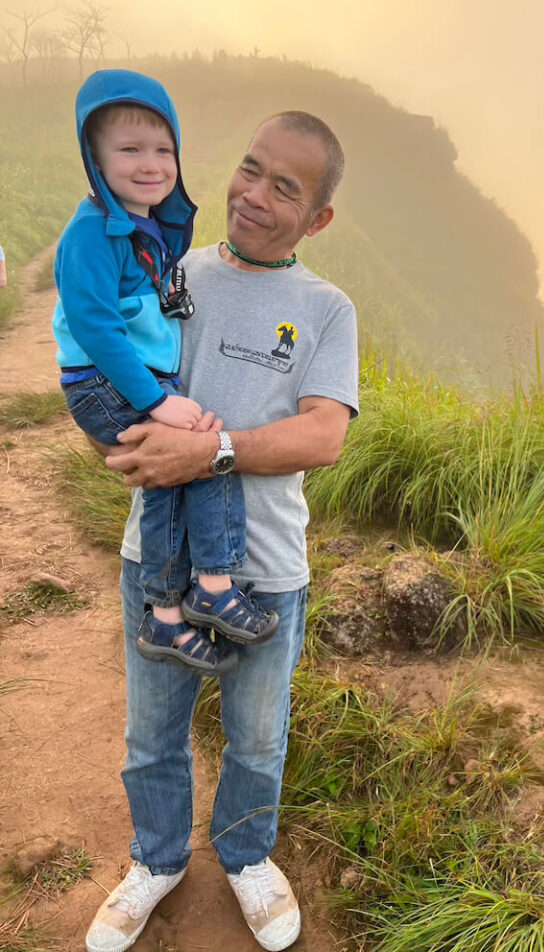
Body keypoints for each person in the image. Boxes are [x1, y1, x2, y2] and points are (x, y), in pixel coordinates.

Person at [85, 111, 359, 952]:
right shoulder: (171, 271)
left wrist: (209, 453)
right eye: (251, 169)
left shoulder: (325, 308)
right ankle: (157, 859)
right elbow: (109, 371)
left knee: (259, 733)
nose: (255, 195)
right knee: (151, 731)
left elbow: (324, 435)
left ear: (317, 219)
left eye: (286, 188)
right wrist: (121, 443)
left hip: (268, 568)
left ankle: (245, 856)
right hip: (159, 561)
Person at [52, 69, 277, 679]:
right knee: (194, 454)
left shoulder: (138, 225)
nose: (151, 164)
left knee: (190, 463)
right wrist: (154, 401)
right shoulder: (91, 235)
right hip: (108, 380)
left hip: (130, 378)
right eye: (129, 150)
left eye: (163, 149)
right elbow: (96, 330)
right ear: (94, 158)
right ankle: (191, 598)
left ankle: (185, 601)